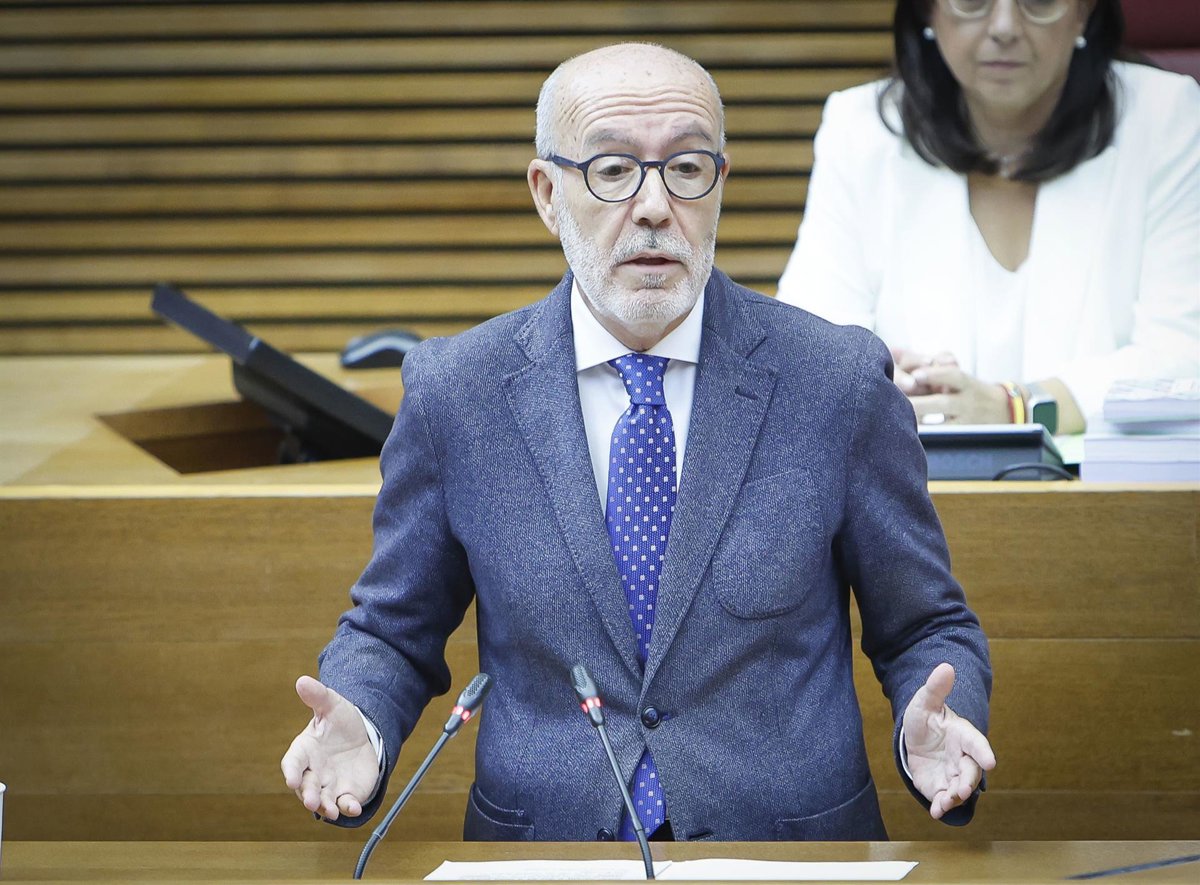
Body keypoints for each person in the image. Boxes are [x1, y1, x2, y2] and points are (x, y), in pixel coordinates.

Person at [281, 42, 994, 843]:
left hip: (788, 850)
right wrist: (363, 717)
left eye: (686, 168)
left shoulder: (836, 380)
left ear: (720, 184)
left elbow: (926, 625)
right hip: (544, 852)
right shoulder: (458, 391)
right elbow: (392, 630)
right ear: (548, 193)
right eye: (613, 170)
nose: (655, 205)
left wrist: (940, 716)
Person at [776, 0, 1200, 434]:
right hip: (915, 471)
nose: (1004, 27)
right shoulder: (861, 127)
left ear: (1084, 12)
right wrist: (881, 387)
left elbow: (1184, 354)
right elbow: (804, 346)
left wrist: (1015, 407)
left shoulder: (1164, 116)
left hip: (1101, 475)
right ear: (927, 11)